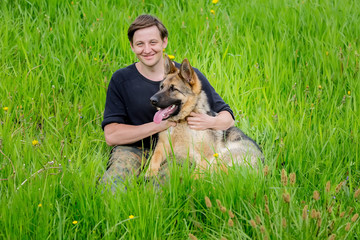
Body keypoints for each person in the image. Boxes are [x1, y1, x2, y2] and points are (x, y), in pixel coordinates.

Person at [101, 14, 235, 190]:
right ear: (132, 47)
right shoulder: (121, 79)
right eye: (140, 44)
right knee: (112, 188)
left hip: (178, 148)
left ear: (164, 42)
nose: (147, 49)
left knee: (161, 191)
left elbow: (228, 118)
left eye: (153, 42)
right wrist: (159, 125)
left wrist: (212, 121)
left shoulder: (187, 78)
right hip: (132, 149)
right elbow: (111, 136)